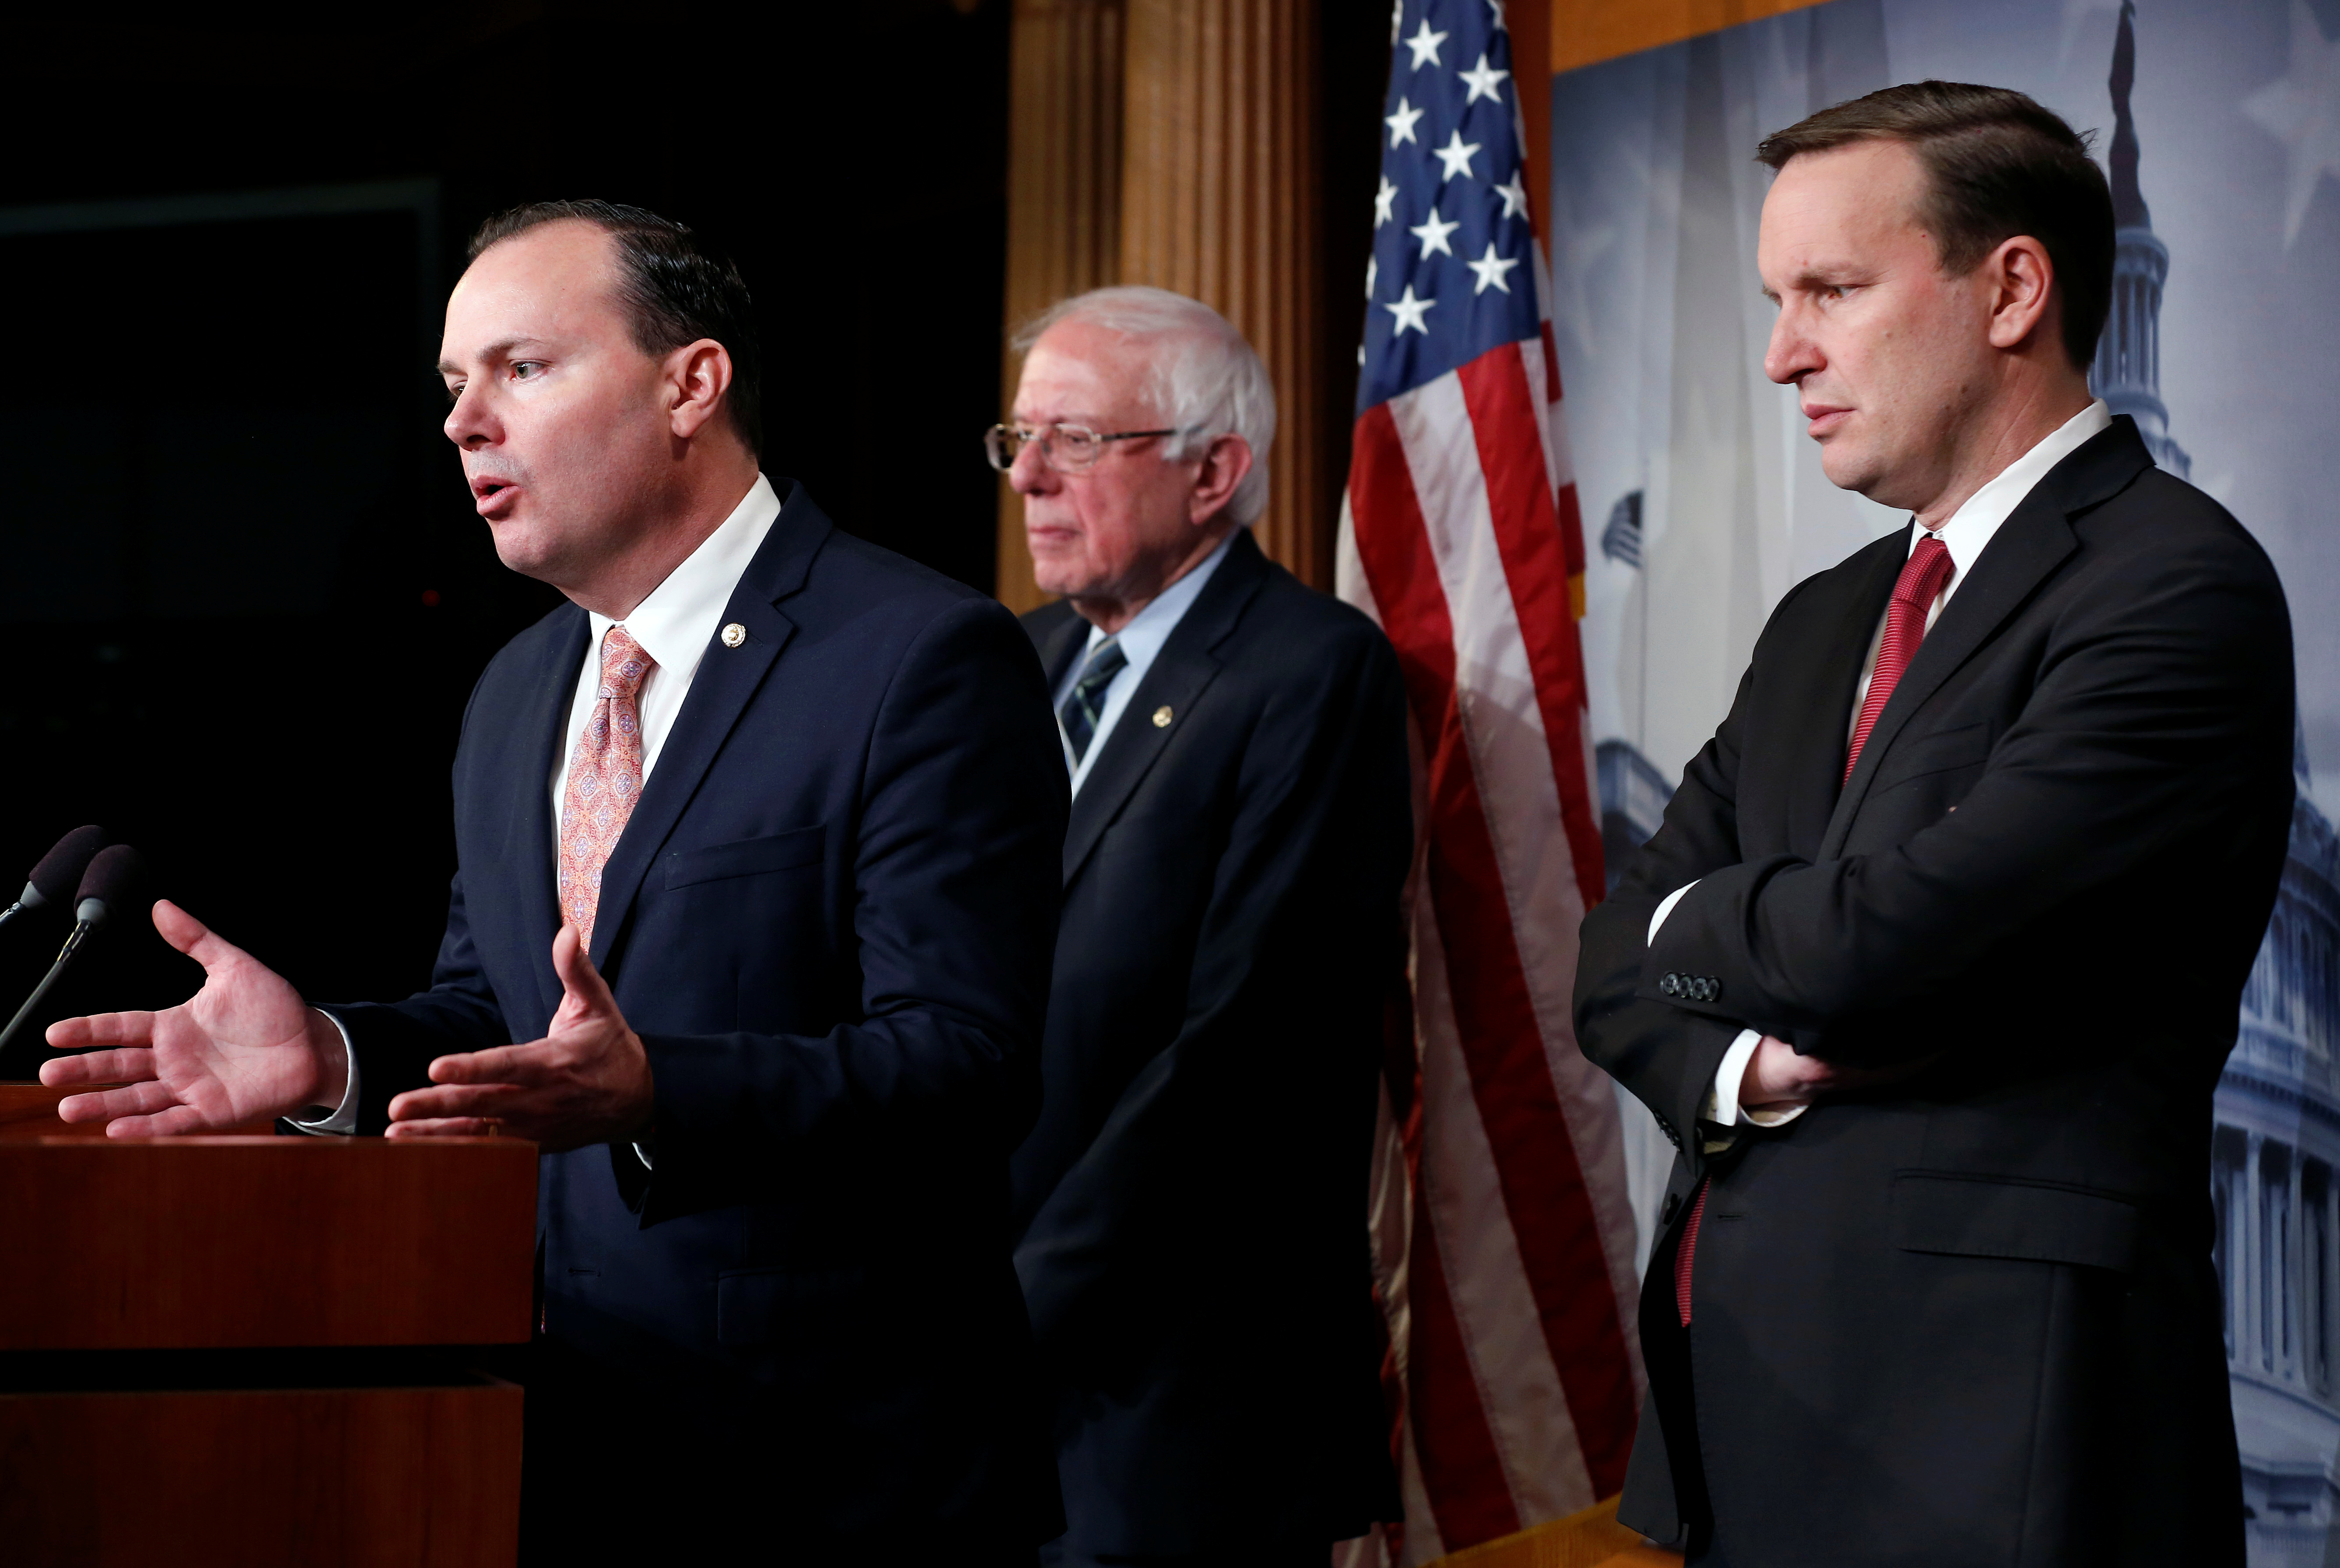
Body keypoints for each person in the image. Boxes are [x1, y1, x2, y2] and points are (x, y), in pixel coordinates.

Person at [42, 200, 1068, 1564]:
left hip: (838, 1475)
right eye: (456, 386)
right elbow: (498, 1013)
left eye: (522, 369)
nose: (467, 422)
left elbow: (966, 1063)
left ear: (689, 385)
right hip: (565, 1448)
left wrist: (660, 1091)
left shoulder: (920, 656)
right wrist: (336, 1059)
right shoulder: (521, 686)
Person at [1575, 83, 2293, 1567]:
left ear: (2012, 287)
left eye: (1830, 291)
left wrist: (1689, 930)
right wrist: (1749, 1064)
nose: (1783, 356)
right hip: (1748, 1433)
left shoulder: (2174, 588)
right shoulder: (1822, 621)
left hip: (1997, 1448)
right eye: (1778, 301)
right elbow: (1604, 968)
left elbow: (1887, 945)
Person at [995, 286, 1410, 1568]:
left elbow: (1250, 1046)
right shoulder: (1014, 658)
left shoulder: (1309, 669)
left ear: (1214, 470)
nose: (1030, 480)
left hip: (1180, 1385)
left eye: (1074, 441)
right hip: (986, 1376)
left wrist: (1015, 1298)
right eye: (1017, 442)